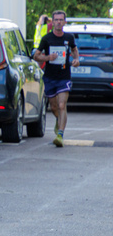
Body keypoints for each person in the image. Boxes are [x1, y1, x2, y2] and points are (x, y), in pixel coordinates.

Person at [33, 10, 79, 147]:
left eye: (61, 20)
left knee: (61, 105)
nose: (58, 22)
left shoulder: (69, 37)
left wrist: (76, 59)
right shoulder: (46, 39)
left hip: (64, 77)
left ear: (65, 22)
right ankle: (59, 120)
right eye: (56, 20)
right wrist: (48, 58)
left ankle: (60, 135)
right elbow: (36, 56)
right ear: (52, 22)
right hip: (50, 77)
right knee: (53, 107)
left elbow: (74, 50)